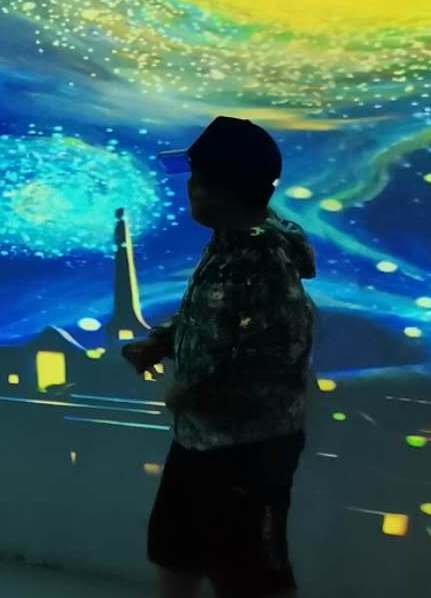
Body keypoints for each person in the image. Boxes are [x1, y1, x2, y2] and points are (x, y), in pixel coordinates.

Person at [123, 116, 317, 598]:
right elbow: (212, 312)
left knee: (252, 573)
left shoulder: (263, 257)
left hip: (249, 449)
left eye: (197, 177)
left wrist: (200, 391)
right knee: (177, 548)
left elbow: (278, 349)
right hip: (201, 437)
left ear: (222, 189)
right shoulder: (231, 242)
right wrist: (162, 342)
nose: (189, 187)